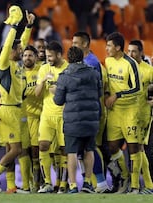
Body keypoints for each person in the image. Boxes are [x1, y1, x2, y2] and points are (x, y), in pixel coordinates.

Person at [0, 6, 34, 193]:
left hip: (10, 110)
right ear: (11, 50)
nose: (22, 50)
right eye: (19, 48)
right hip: (9, 111)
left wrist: (27, 27)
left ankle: (10, 186)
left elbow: (21, 42)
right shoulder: (5, 64)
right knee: (15, 150)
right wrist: (14, 27)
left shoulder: (18, 64)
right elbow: (8, 47)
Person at [54, 46, 101, 193]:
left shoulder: (64, 76)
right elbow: (99, 93)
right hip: (92, 118)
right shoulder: (93, 73)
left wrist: (55, 90)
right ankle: (87, 183)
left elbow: (58, 101)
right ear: (82, 57)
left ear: (68, 58)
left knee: (72, 152)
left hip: (73, 120)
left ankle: (73, 185)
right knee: (89, 150)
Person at [71, 31, 111, 193]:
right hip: (85, 110)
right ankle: (92, 182)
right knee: (83, 148)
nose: (73, 45)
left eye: (76, 43)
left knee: (90, 147)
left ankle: (101, 183)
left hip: (90, 111)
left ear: (85, 44)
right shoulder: (84, 61)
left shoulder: (91, 63)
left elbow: (93, 89)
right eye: (72, 42)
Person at [104, 32, 142, 194]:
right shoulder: (108, 61)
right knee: (112, 146)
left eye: (109, 46)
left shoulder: (130, 63)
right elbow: (107, 83)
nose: (106, 49)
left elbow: (137, 88)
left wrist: (117, 95)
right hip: (114, 112)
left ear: (118, 47)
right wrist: (107, 94)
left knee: (133, 148)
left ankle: (135, 185)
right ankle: (125, 177)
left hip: (130, 111)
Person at [35, 41, 69, 193]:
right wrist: (42, 82)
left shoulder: (68, 68)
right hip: (47, 115)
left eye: (50, 56)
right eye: (47, 56)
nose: (48, 58)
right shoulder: (44, 69)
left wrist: (61, 91)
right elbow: (37, 94)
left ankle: (62, 184)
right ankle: (47, 183)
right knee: (43, 145)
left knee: (64, 149)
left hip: (63, 114)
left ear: (59, 55)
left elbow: (74, 92)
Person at [127, 40, 153, 194]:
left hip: (142, 115)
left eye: (134, 51)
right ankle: (140, 186)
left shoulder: (148, 70)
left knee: (138, 149)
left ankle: (141, 186)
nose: (130, 54)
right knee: (136, 149)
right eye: (129, 51)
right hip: (127, 114)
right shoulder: (125, 67)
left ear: (141, 53)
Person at [22, 45, 43, 192]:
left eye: (30, 55)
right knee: (23, 151)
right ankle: (27, 184)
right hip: (22, 118)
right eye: (25, 55)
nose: (27, 58)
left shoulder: (41, 70)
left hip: (38, 116)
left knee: (36, 151)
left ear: (35, 57)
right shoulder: (19, 72)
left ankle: (37, 184)